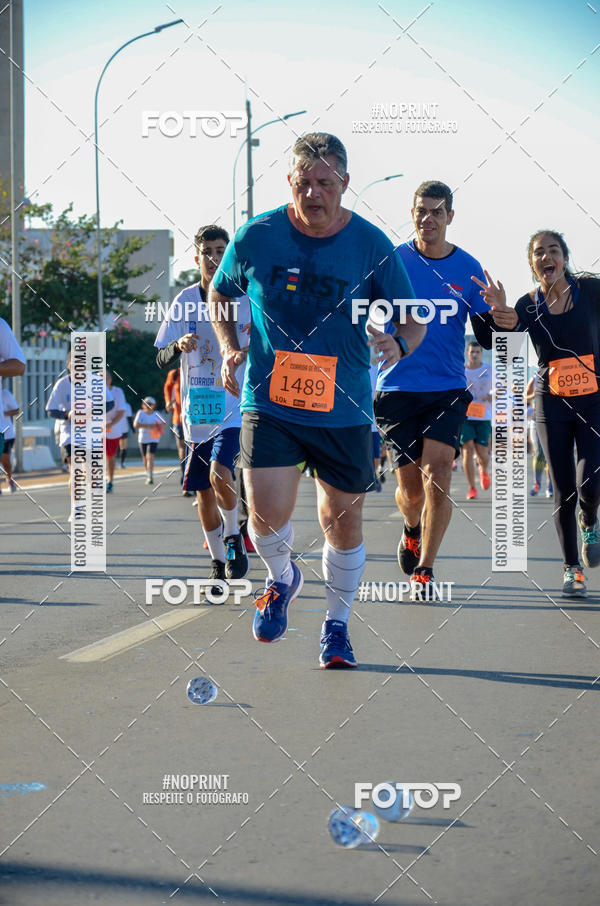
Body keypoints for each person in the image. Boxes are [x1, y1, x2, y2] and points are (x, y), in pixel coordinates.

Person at [209, 132, 423, 667]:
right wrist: (231, 347)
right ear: (289, 183)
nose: (313, 194)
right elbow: (220, 292)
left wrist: (397, 342)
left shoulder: (372, 246)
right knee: (264, 514)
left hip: (344, 407)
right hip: (271, 400)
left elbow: (413, 318)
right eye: (303, 183)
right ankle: (282, 580)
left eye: (324, 183)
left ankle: (336, 627)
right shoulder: (256, 237)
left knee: (341, 521)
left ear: (344, 185)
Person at [374, 180, 493, 599]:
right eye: (421, 210)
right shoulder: (392, 261)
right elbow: (359, 308)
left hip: (446, 387)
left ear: (450, 217)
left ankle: (425, 567)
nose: (428, 219)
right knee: (409, 492)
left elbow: (489, 333)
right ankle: (411, 528)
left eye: (436, 212)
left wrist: (499, 314)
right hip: (397, 387)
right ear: (412, 214)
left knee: (438, 473)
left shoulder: (468, 268)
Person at [473, 229, 600, 597]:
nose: (547, 257)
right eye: (539, 253)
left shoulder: (590, 292)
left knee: (589, 482)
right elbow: (503, 334)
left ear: (565, 257)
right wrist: (497, 311)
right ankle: (571, 569)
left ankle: (589, 517)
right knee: (563, 488)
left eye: (554, 251)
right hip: (551, 402)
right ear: (532, 263)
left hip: (594, 400)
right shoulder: (528, 305)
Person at [155, 224, 251, 591]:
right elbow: (160, 356)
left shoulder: (245, 298)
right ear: (196, 258)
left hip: (234, 403)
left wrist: (245, 351)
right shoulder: (184, 300)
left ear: (229, 256)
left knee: (219, 473)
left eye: (220, 251)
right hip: (198, 410)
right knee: (203, 492)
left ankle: (232, 537)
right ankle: (217, 560)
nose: (214, 258)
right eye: (207, 252)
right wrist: (178, 344)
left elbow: (269, 346)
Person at [46, 355, 114, 518]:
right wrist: (67, 414)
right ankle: (77, 508)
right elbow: (50, 410)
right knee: (75, 470)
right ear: (68, 365)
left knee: (89, 473)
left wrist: (92, 411)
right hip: (70, 435)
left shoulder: (96, 381)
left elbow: (110, 403)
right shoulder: (61, 385)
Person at [460, 340, 492, 500]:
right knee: (467, 449)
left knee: (482, 454)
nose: (474, 354)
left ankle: (484, 470)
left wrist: (493, 396)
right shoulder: (461, 370)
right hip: (465, 416)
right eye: (471, 352)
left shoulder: (490, 370)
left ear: (481, 353)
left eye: (477, 352)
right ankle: (472, 488)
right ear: (467, 353)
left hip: (484, 415)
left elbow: (500, 388)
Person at [0, 317, 26, 464]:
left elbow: (19, 366)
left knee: (6, 461)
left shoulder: (0, 326)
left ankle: (9, 478)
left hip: (4, 428)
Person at [526, 374, 553, 498]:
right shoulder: (535, 378)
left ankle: (551, 486)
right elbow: (525, 397)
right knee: (539, 453)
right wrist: (537, 394)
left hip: (554, 420)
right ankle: (537, 483)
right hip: (536, 420)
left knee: (551, 455)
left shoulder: (559, 373)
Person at [164, 367, 190, 495]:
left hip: (196, 417)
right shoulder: (174, 374)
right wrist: (168, 401)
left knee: (194, 448)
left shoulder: (201, 368)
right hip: (178, 418)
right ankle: (185, 477)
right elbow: (167, 387)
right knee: (182, 448)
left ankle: (193, 478)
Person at [133, 396, 164, 485]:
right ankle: (148, 473)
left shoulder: (157, 413)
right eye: (146, 404)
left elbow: (163, 423)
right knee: (145, 458)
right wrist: (148, 426)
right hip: (143, 438)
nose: (148, 406)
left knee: (150, 456)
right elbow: (135, 424)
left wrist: (157, 426)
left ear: (154, 405)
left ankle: (150, 476)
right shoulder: (140, 413)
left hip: (154, 437)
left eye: (150, 404)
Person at [104, 370, 126, 493]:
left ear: (110, 380)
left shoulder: (117, 392)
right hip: (96, 429)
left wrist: (111, 423)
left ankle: (110, 481)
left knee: (110, 457)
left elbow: (121, 411)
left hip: (113, 429)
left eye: (104, 378)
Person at [0, 387, 19, 492]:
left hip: (6, 433)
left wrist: (3, 414)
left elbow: (16, 410)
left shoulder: (5, 393)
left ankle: (9, 478)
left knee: (5, 461)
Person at [119, 399, 133, 468]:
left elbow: (129, 418)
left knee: (123, 447)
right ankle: (121, 463)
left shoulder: (126, 406)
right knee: (121, 447)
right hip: (114, 429)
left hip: (123, 429)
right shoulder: (126, 405)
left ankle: (122, 462)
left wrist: (133, 430)